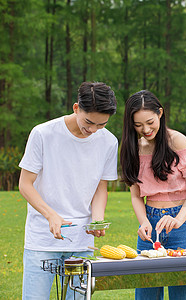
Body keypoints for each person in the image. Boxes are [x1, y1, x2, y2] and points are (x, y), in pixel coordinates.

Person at [18, 81, 118, 299]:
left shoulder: (109, 141)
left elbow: (101, 187)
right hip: (42, 239)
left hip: (82, 242)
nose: (93, 130)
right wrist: (50, 214)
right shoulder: (43, 134)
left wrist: (97, 220)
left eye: (101, 125)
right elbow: (25, 184)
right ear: (76, 108)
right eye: (89, 122)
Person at [120, 90, 186, 300]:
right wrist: (143, 222)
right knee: (146, 294)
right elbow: (136, 196)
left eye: (149, 122)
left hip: (183, 226)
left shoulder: (177, 141)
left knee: (183, 294)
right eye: (138, 125)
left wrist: (177, 219)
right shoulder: (133, 147)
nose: (145, 129)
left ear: (160, 113)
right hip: (151, 224)